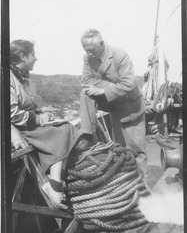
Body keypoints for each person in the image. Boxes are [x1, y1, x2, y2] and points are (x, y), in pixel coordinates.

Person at [10, 39, 82, 209]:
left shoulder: (22, 76)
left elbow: (30, 103)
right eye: (33, 55)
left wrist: (42, 114)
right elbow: (10, 113)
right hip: (21, 129)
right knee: (62, 132)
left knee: (68, 128)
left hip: (28, 124)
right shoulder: (8, 77)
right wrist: (37, 119)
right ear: (22, 56)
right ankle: (54, 186)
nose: (36, 59)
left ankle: (55, 181)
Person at [79, 29, 148, 180]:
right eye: (86, 51)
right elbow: (86, 81)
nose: (89, 54)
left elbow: (129, 84)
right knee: (121, 149)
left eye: (91, 50)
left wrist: (102, 89)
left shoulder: (120, 55)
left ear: (101, 44)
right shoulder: (88, 58)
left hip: (131, 107)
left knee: (136, 151)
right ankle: (88, 135)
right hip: (114, 105)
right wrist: (108, 88)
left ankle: (143, 187)